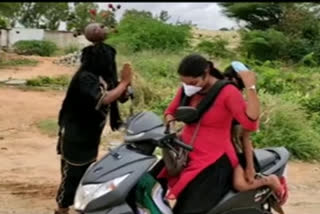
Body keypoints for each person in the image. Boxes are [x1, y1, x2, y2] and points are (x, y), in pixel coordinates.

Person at [157, 54, 259, 214]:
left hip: (214, 159)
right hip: (185, 153)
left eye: (193, 82)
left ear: (206, 73)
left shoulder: (228, 92)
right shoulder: (187, 90)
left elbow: (250, 123)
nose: (189, 86)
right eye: (184, 83)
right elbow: (170, 111)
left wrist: (251, 88)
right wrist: (171, 121)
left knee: (189, 209)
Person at [54, 41, 133, 214]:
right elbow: (103, 99)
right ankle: (62, 208)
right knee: (72, 174)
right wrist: (124, 83)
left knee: (86, 172)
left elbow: (118, 97)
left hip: (90, 135)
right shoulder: (85, 78)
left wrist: (126, 87)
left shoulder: (106, 77)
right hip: (75, 134)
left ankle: (79, 205)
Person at [224, 62, 287, 207]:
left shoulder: (239, 103)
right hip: (215, 150)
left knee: (241, 184)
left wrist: (250, 168)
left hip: (235, 152)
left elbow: (245, 137)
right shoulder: (214, 95)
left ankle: (270, 180)